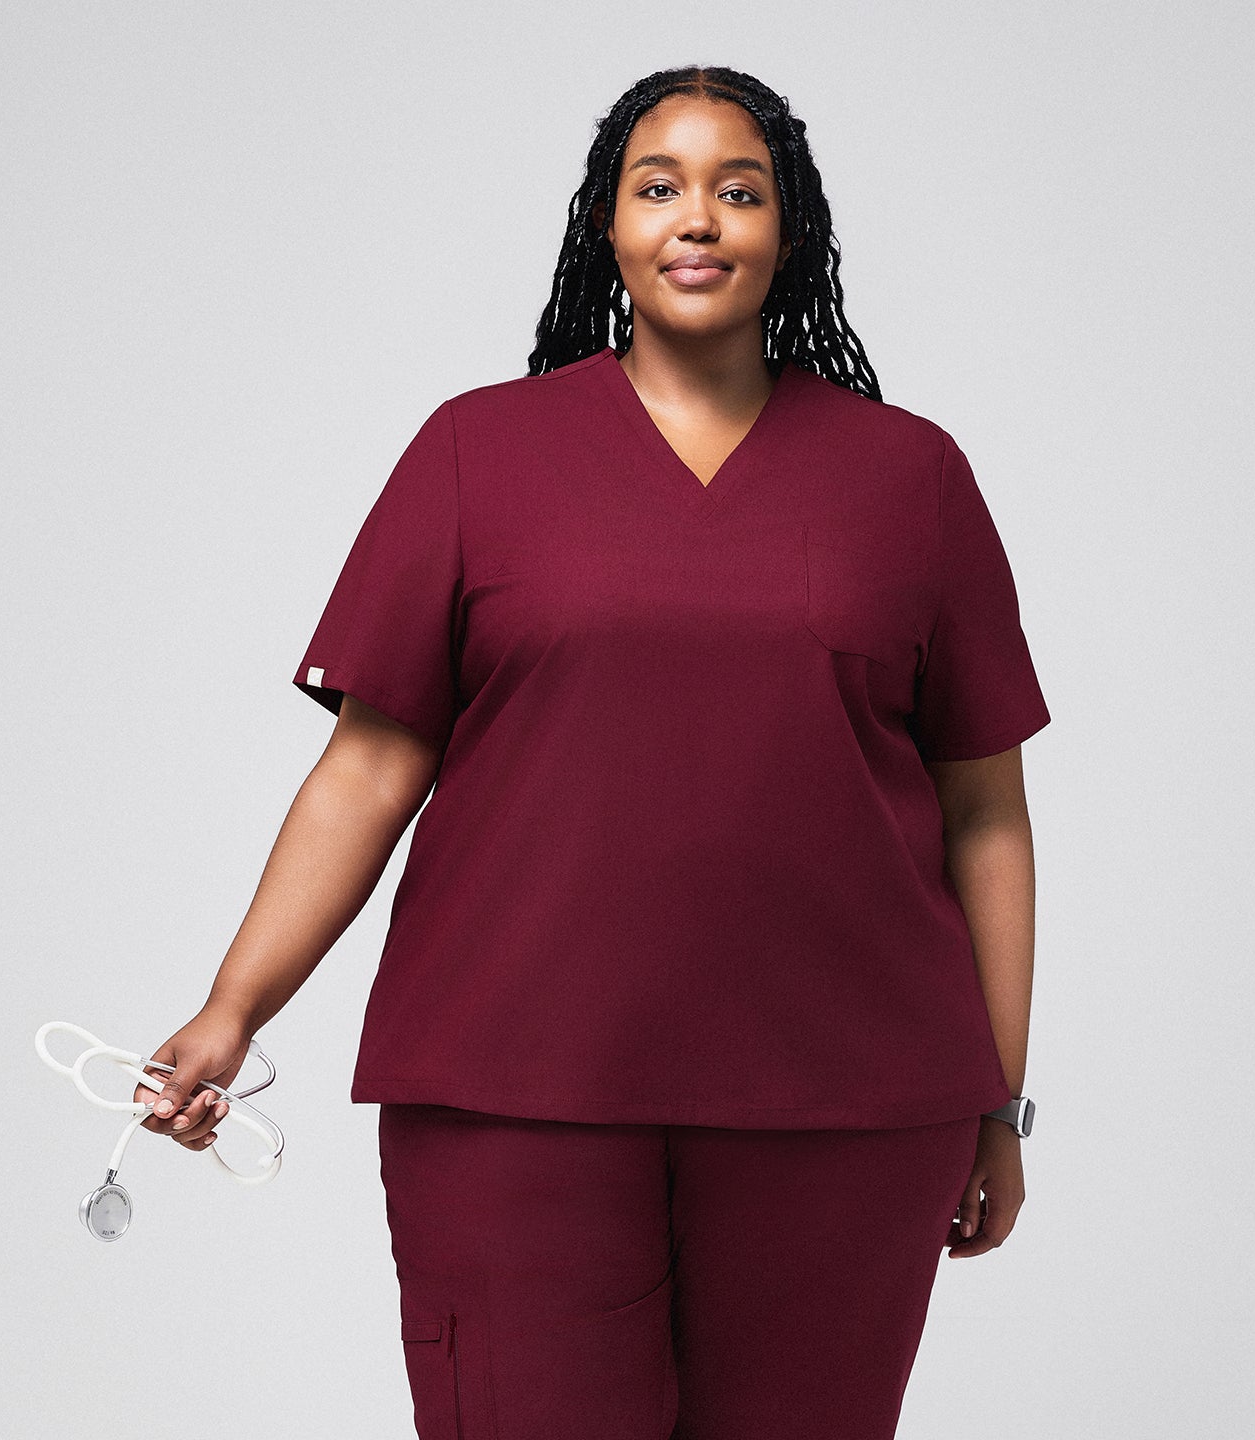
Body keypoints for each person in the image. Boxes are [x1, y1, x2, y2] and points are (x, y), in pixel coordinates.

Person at [134, 63, 1051, 1440]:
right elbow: (370, 770)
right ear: (607, 228)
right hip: (514, 1091)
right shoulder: (476, 454)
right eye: (660, 186)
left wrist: (1000, 1099)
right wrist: (231, 1008)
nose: (700, 219)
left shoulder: (908, 478)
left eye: (740, 191)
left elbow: (986, 812)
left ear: (788, 229)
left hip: (847, 1107)